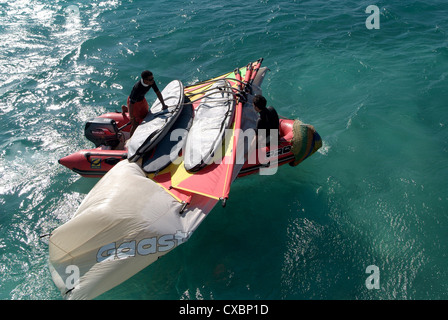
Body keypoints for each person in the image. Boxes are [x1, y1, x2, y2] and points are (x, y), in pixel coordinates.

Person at [123, 70, 167, 136]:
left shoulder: (151, 82)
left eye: (153, 78)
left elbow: (157, 92)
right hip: (134, 103)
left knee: (145, 115)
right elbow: (131, 103)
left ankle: (125, 109)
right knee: (136, 123)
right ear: (145, 80)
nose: (152, 80)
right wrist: (132, 118)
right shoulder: (137, 88)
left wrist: (163, 104)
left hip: (142, 100)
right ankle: (130, 139)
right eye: (150, 79)